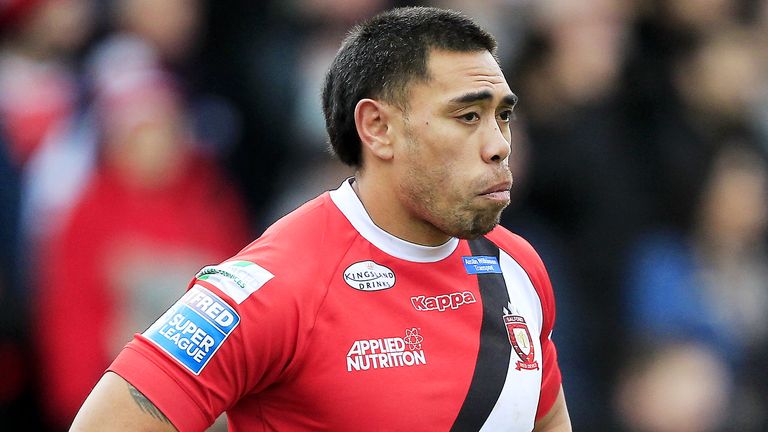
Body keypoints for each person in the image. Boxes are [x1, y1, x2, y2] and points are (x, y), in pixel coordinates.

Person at [71, 6, 571, 431]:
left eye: (502, 115)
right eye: (467, 117)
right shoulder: (277, 282)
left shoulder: (518, 267)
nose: (499, 145)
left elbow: (545, 418)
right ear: (377, 128)